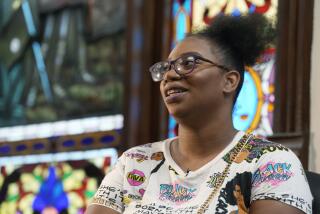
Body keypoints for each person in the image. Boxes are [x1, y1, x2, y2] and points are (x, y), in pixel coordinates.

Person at [85, 13, 313, 214]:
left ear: (229, 81)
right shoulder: (135, 162)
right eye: (166, 68)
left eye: (188, 63)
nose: (170, 76)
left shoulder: (272, 163)